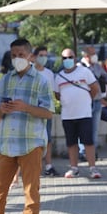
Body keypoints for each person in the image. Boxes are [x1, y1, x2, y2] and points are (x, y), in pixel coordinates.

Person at [0, 39, 54, 214]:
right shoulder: (5, 79)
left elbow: (49, 112)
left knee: (31, 193)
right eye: (13, 55)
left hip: (31, 143)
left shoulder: (41, 80)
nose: (17, 59)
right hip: (6, 143)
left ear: (30, 56)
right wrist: (1, 110)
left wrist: (26, 107)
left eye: (21, 55)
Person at [54, 48, 101, 179]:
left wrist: (86, 99)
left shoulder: (84, 72)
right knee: (71, 143)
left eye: (70, 57)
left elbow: (95, 88)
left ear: (75, 58)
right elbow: (57, 94)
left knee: (88, 142)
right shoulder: (59, 77)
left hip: (84, 114)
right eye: (64, 58)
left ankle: (93, 168)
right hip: (67, 115)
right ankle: (74, 168)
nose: (67, 60)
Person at [33, 46, 60, 176]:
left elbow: (53, 93)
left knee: (47, 137)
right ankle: (34, 165)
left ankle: (49, 165)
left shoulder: (49, 73)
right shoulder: (29, 71)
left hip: (45, 109)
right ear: (34, 56)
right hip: (31, 110)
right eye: (41, 55)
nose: (43, 58)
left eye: (45, 55)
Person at [80, 46, 107, 149]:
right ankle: (83, 151)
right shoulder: (80, 67)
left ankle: (93, 151)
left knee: (94, 128)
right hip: (85, 102)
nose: (95, 56)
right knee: (84, 127)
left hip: (97, 101)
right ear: (86, 55)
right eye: (92, 54)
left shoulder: (97, 66)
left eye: (95, 53)